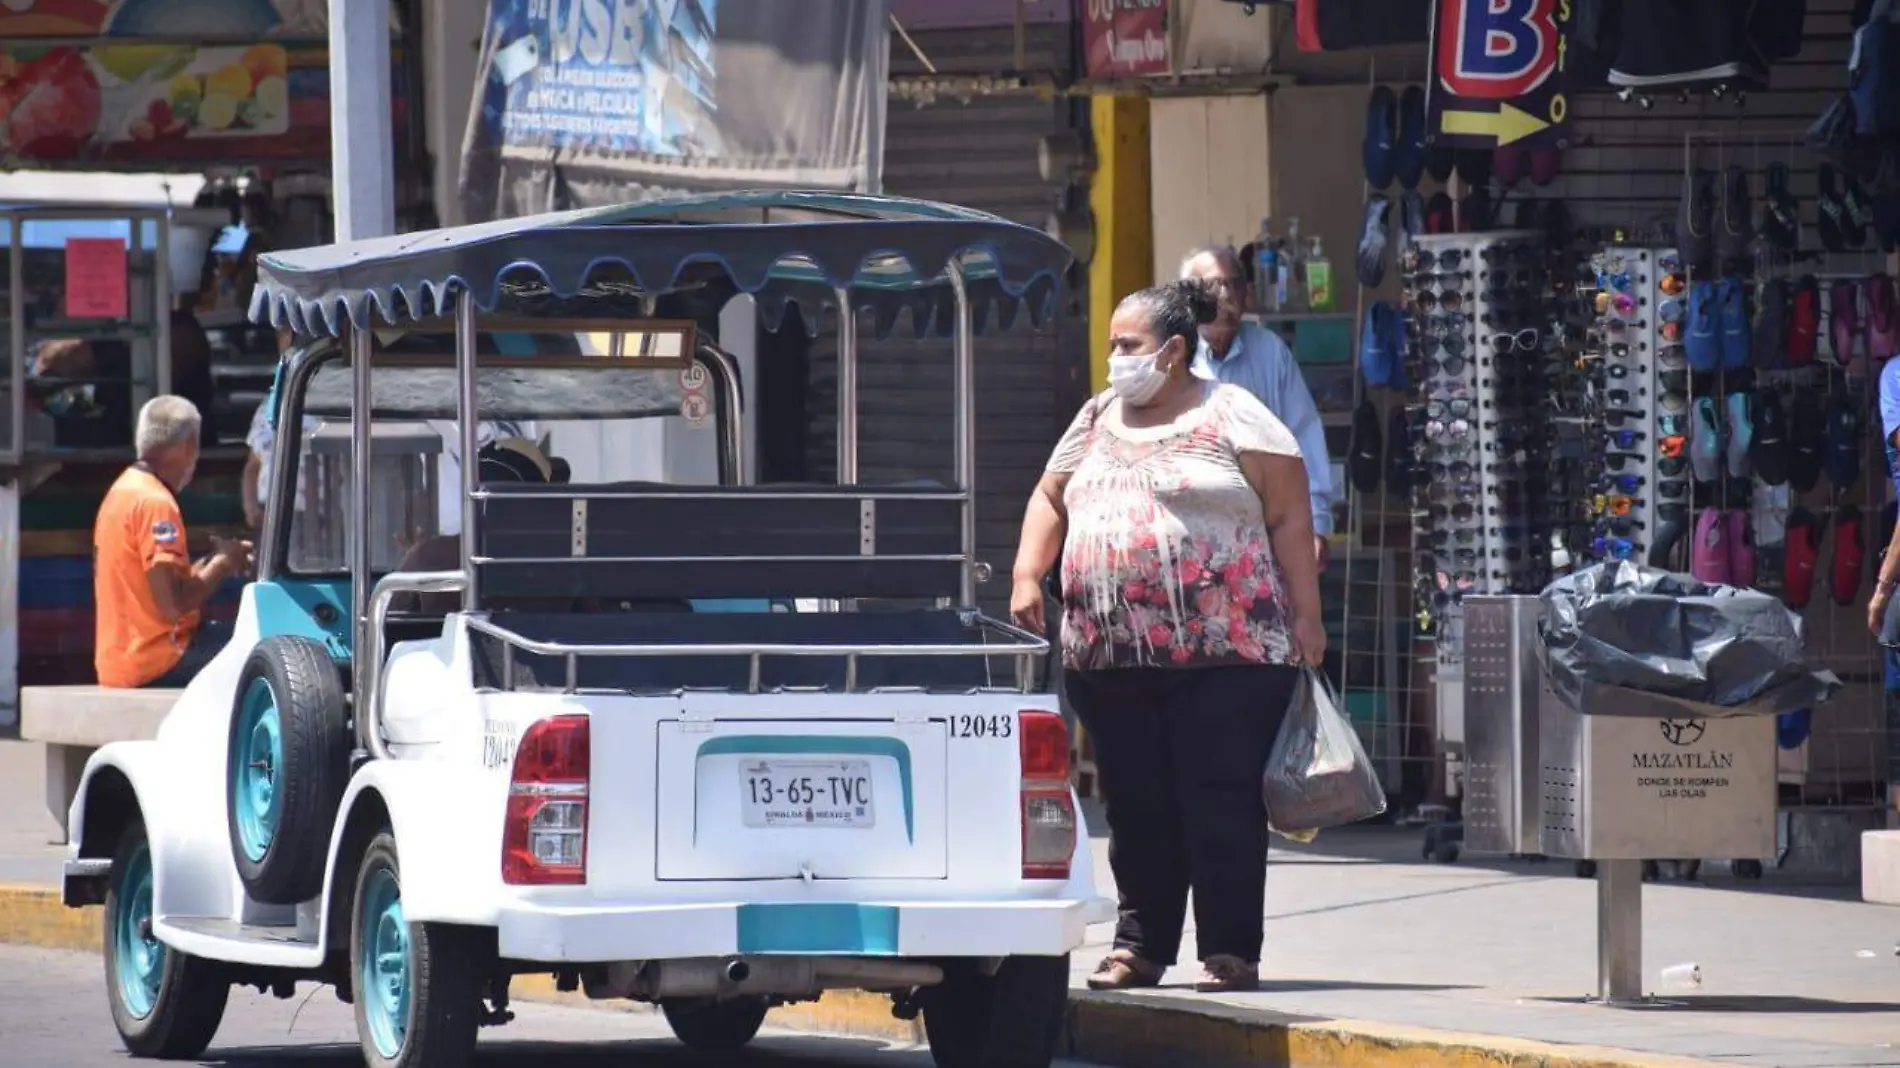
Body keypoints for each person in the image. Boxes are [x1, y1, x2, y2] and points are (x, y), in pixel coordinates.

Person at [1008, 279, 1326, 994]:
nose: (1117, 359)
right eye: (1113, 346)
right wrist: (1029, 572)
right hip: (1110, 658)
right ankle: (1140, 948)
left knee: (1219, 801)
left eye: (1129, 346)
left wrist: (1309, 617)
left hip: (1229, 657)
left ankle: (1230, 950)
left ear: (1175, 351)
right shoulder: (1095, 418)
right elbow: (1048, 495)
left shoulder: (1234, 414)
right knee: (1135, 805)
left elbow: (1288, 516)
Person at [1180, 245, 1338, 571]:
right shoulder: (1175, 356)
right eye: (1212, 285)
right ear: (1189, 298)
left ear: (1247, 293)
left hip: (1263, 536)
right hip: (1191, 536)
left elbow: (1303, 435)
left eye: (1233, 284)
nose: (1225, 296)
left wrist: (1318, 524)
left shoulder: (1269, 353)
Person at [94, 396, 253, 689]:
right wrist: (223, 564)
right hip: (158, 659)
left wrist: (204, 566)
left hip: (120, 659)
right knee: (265, 649)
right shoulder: (156, 503)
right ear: (189, 446)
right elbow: (173, 605)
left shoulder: (122, 490)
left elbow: (150, 588)